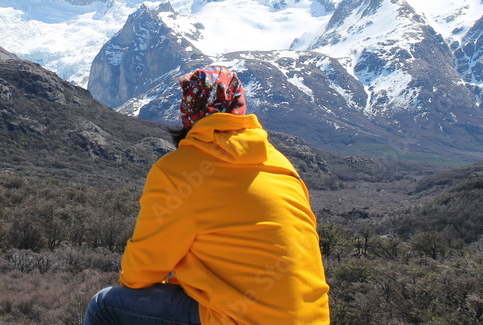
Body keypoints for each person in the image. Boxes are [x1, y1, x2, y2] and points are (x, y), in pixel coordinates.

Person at [84, 66, 330, 325]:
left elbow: (141, 272)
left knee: (105, 306)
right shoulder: (279, 163)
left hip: (241, 318)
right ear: (240, 105)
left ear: (187, 111)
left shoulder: (176, 172)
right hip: (313, 318)